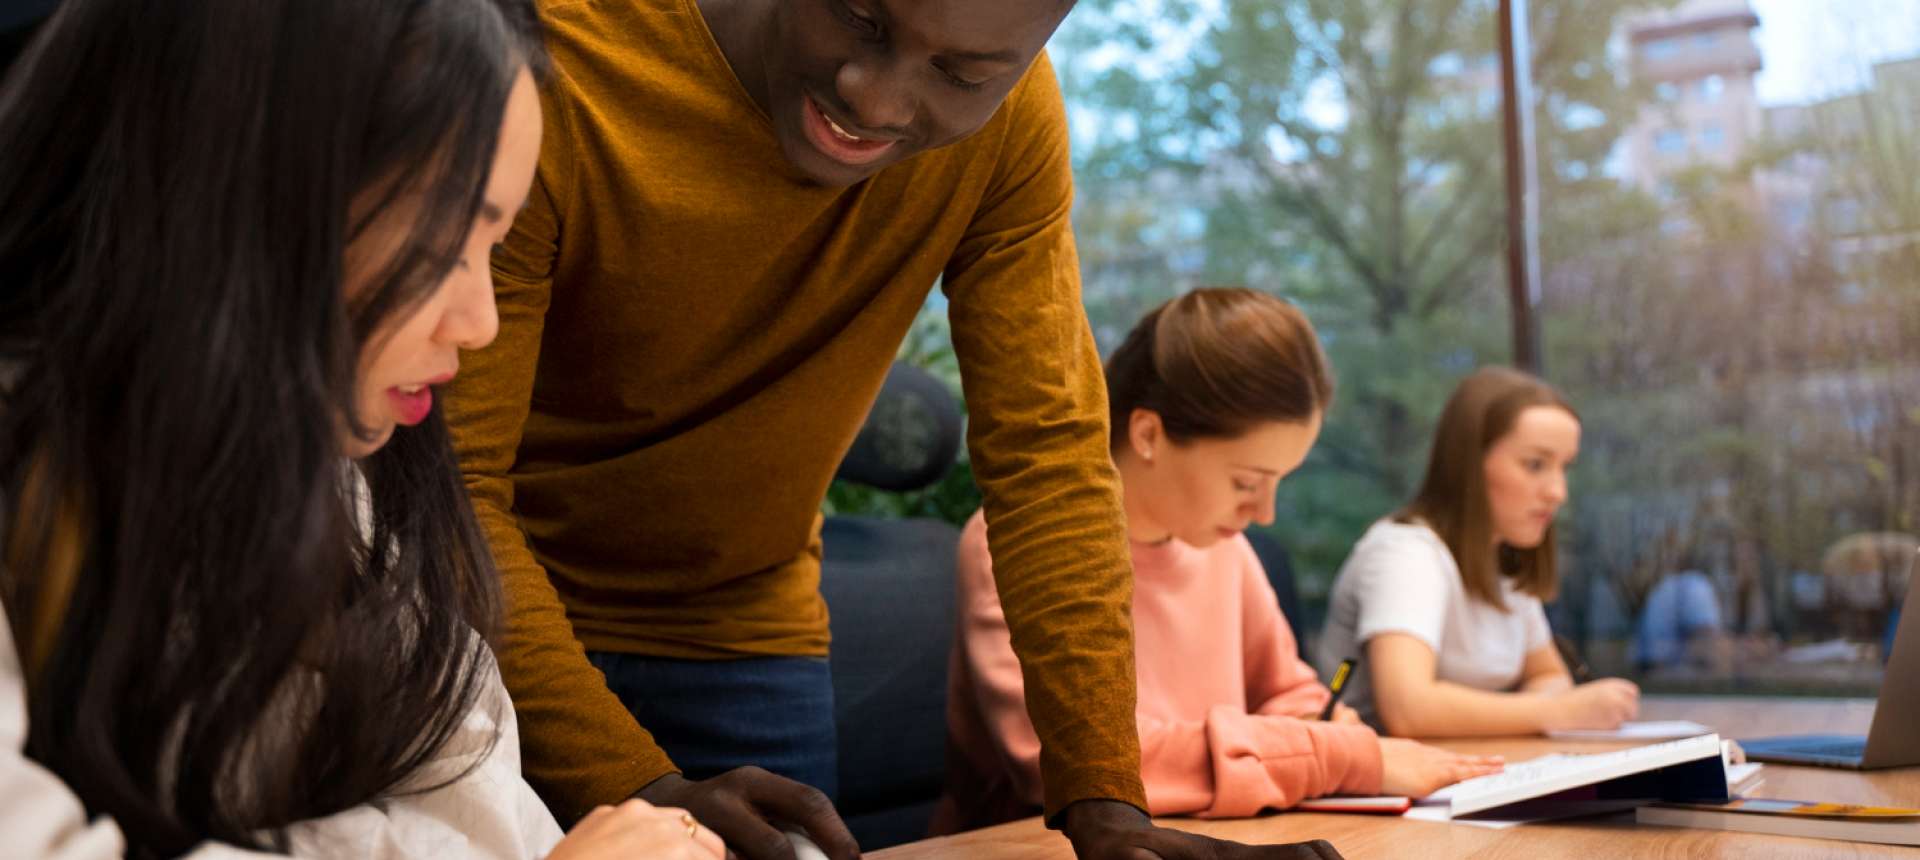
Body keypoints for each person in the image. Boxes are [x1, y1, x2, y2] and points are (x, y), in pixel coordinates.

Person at [443, 0, 1341, 857]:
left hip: (741, 630)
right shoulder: (558, 60)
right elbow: (454, 488)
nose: (873, 97)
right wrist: (634, 783)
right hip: (492, 627)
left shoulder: (1013, 125)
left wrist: (1107, 798)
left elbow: (1048, 460)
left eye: (961, 71)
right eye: (859, 17)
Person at [0, 1, 719, 857]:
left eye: (494, 243)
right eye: (443, 243)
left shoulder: (334, 471)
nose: (480, 320)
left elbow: (477, 785)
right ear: (243, 197)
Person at [935, 289, 1504, 831]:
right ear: (1149, 434)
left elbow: (1288, 694)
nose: (1265, 513)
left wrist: (1324, 726)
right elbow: (1087, 769)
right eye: (1247, 481)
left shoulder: (1222, 548)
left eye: (1278, 482)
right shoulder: (1022, 541)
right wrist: (1335, 756)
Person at [1315, 368, 1640, 738]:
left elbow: (1549, 675)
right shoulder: (1404, 553)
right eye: (1536, 464)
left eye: (1564, 467)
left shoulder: (1503, 564)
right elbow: (1408, 709)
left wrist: (1544, 708)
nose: (1558, 492)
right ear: (1469, 463)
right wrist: (1555, 710)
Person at [1632, 563, 1733, 675]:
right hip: (1663, 671)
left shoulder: (1670, 585)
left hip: (1652, 669)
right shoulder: (1696, 585)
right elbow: (1706, 638)